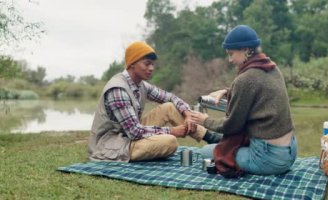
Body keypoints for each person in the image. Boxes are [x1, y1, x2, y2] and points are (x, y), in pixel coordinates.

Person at [190, 25, 297, 177]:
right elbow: (257, 93)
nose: (230, 59)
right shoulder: (271, 68)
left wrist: (205, 120)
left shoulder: (245, 80)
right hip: (290, 152)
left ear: (246, 50)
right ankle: (216, 139)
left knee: (206, 152)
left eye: (231, 53)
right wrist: (228, 92)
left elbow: (232, 125)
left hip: (269, 159)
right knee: (225, 145)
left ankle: (213, 138)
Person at [88, 41, 221, 162]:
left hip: (128, 136)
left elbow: (171, 98)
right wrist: (172, 131)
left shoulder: (141, 85)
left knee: (169, 107)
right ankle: (211, 139)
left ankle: (212, 138)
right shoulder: (118, 90)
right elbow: (134, 132)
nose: (151, 68)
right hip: (111, 145)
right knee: (170, 142)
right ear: (132, 63)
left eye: (152, 64)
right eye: (147, 64)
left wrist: (186, 113)